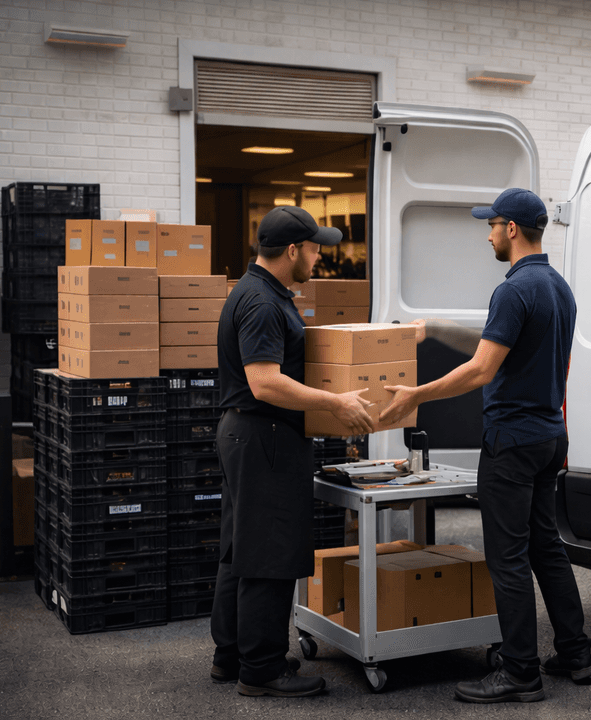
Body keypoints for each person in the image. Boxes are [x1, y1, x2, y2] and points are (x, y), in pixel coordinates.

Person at [381, 188, 591, 704]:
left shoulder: (515, 289)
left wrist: (418, 393)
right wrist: (434, 329)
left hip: (513, 442)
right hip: (548, 437)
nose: (489, 233)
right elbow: (492, 342)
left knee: (509, 558)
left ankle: (520, 671)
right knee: (546, 548)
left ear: (513, 229)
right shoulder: (557, 287)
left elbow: (481, 367)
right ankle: (575, 653)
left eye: (493, 224)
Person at [210, 205, 375, 698]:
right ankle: (260, 670)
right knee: (269, 552)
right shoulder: (262, 302)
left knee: (240, 548)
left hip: (249, 435)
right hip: (265, 437)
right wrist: (336, 403)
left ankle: (231, 655)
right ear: (292, 251)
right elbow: (265, 383)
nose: (320, 255)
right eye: (314, 247)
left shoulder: (258, 290)